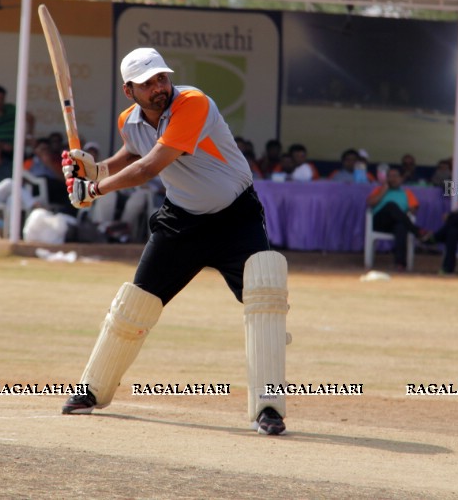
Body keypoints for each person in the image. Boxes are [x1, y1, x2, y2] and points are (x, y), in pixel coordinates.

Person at [59, 47, 289, 435]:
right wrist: (93, 168)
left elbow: (149, 167)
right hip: (182, 222)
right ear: (129, 90)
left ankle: (268, 408)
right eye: (147, 84)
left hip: (235, 217)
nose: (158, 88)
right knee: (136, 304)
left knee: (265, 304)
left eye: (161, 78)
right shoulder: (128, 121)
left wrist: (94, 189)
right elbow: (132, 154)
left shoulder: (193, 103)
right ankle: (93, 390)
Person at [366, 167, 428, 271]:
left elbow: (413, 210)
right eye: (389, 176)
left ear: (401, 179)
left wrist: (411, 209)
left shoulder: (407, 193)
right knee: (391, 205)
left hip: (396, 223)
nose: (392, 179)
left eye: (395, 176)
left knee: (401, 227)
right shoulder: (378, 190)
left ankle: (400, 263)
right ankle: (417, 231)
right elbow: (370, 203)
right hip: (380, 222)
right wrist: (384, 190)